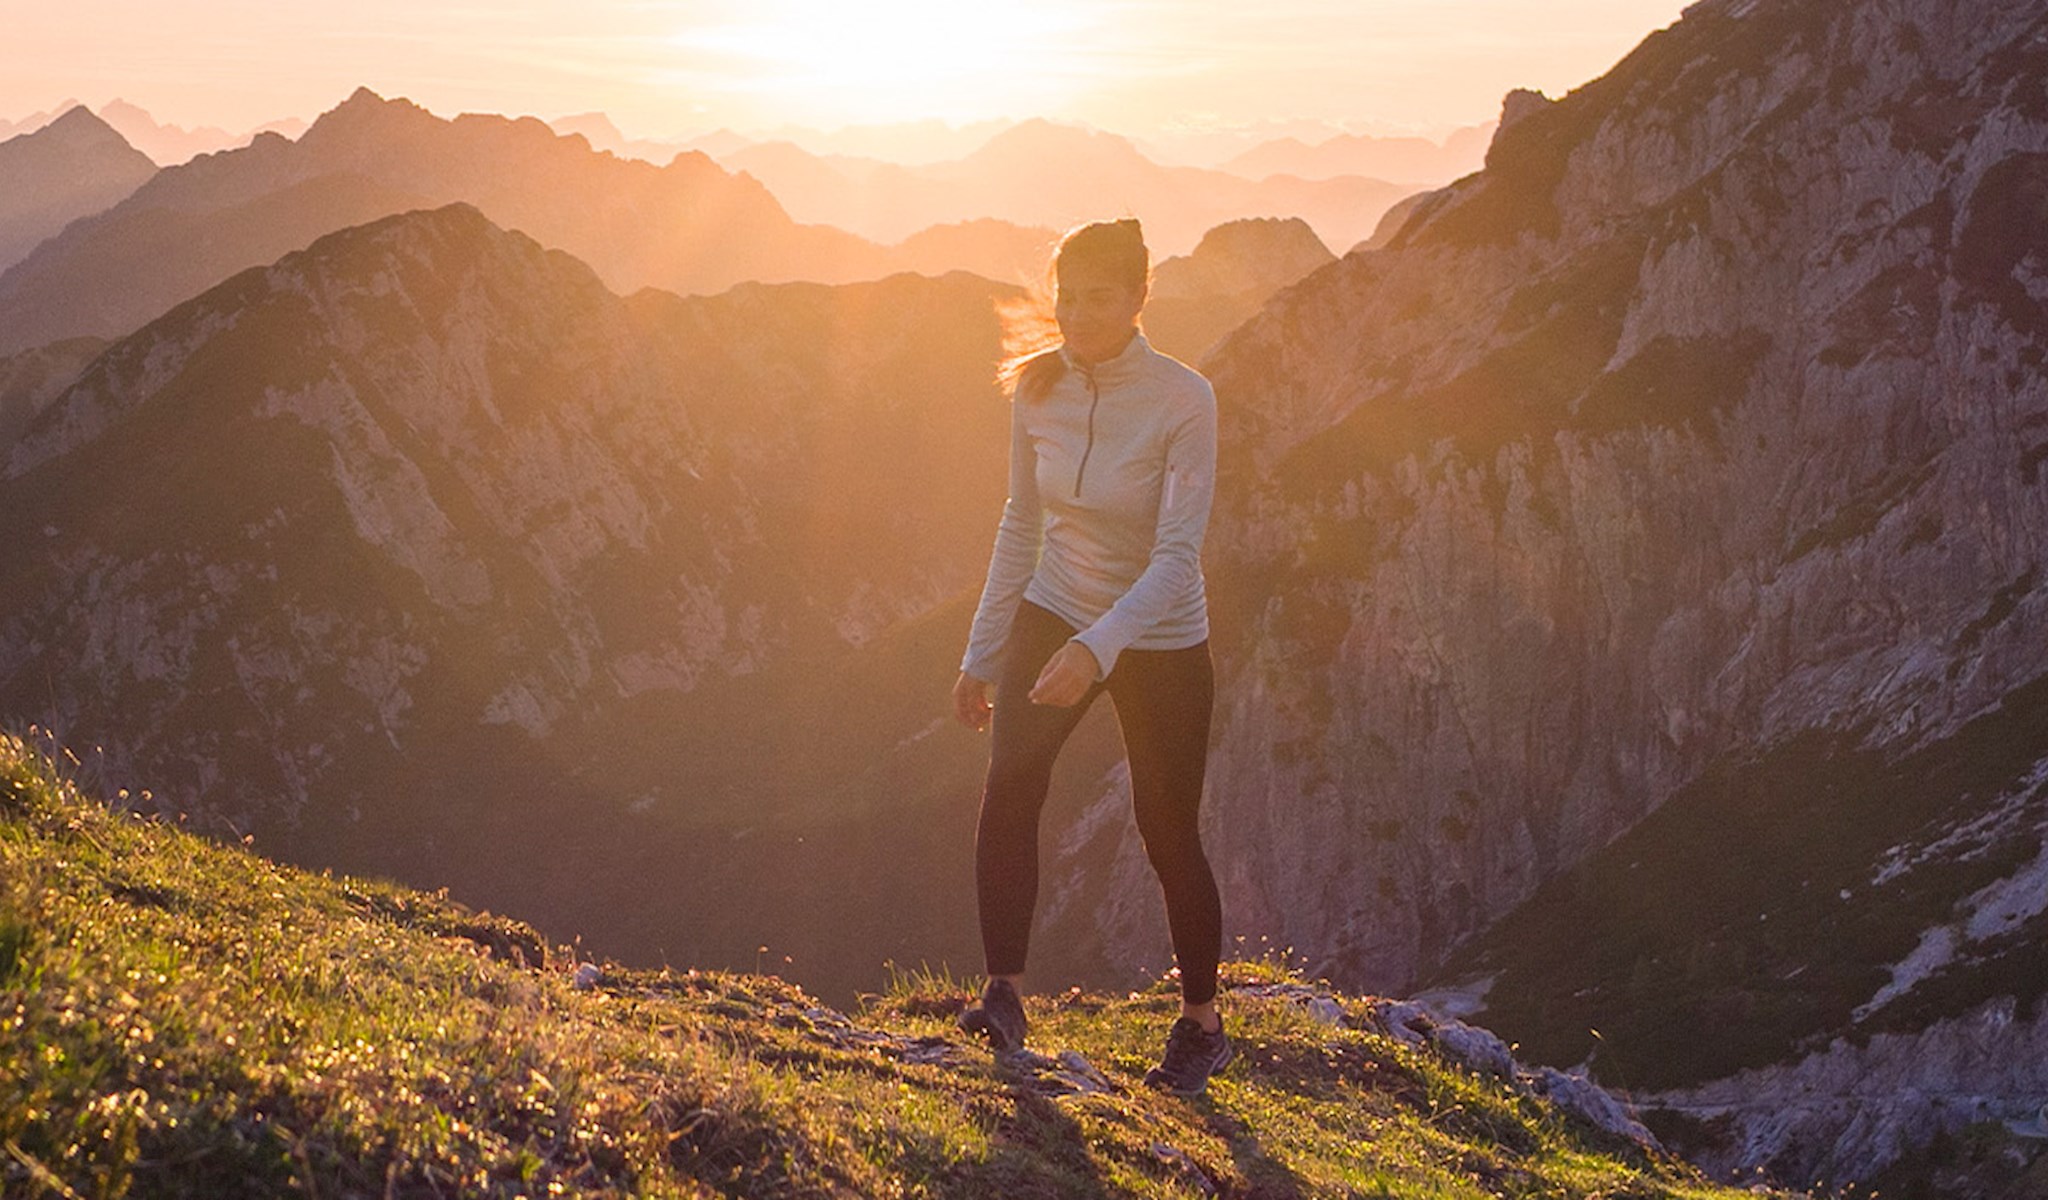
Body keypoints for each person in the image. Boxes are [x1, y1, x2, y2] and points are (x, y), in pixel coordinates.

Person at [949, 217, 1232, 1095]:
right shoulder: (1036, 390)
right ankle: (1003, 994)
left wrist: (1096, 649)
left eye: (1097, 298)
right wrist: (983, 651)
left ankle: (1202, 1024)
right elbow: (1019, 523)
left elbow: (1177, 555)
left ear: (1139, 298)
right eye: (1065, 296)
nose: (1075, 314)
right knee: (1010, 790)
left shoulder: (1186, 399)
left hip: (1157, 633)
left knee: (1166, 828)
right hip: (1056, 604)